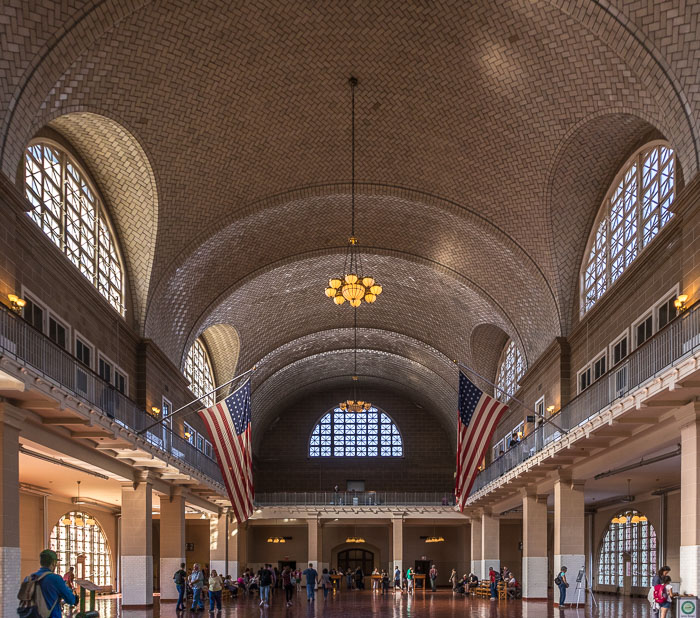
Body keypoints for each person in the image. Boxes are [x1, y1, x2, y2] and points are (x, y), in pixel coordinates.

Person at [21, 549, 77, 618]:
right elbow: (71, 600)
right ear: (53, 563)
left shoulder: (29, 578)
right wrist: (74, 598)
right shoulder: (56, 579)